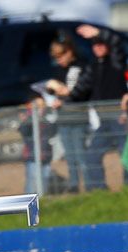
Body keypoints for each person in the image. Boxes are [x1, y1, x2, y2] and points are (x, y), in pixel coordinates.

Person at [47, 25, 127, 192]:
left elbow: (117, 42)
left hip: (118, 115)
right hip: (102, 119)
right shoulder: (93, 66)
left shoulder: (116, 61)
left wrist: (98, 33)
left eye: (101, 44)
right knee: (91, 154)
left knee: (125, 155)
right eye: (94, 44)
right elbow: (81, 88)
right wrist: (64, 99)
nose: (97, 47)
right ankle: (97, 189)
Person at [48, 37, 86, 192]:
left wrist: (64, 95)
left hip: (77, 116)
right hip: (63, 117)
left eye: (61, 56)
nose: (59, 60)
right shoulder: (60, 70)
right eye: (56, 58)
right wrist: (52, 90)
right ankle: (74, 184)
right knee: (69, 155)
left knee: (80, 153)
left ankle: (90, 183)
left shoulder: (81, 67)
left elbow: (81, 90)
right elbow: (55, 89)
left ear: (69, 52)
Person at [19, 96, 55, 194]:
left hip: (46, 155)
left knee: (45, 179)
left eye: (42, 105)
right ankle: (29, 204)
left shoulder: (47, 119)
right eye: (37, 106)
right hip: (32, 156)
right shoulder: (27, 120)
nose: (40, 108)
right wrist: (28, 119)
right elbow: (23, 132)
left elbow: (52, 132)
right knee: (32, 180)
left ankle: (43, 201)